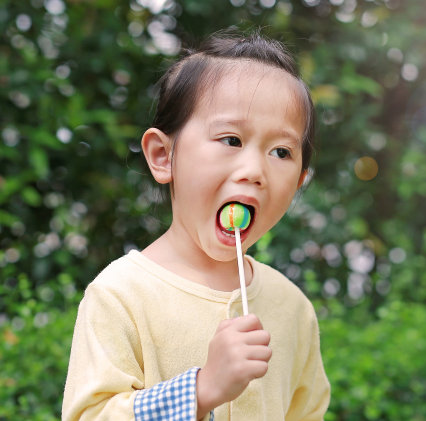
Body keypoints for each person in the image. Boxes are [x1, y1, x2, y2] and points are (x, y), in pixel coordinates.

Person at [62, 29, 330, 421]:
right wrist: (201, 390)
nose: (255, 171)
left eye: (281, 151)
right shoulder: (119, 296)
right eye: (231, 140)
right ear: (162, 156)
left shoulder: (293, 308)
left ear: (300, 179)